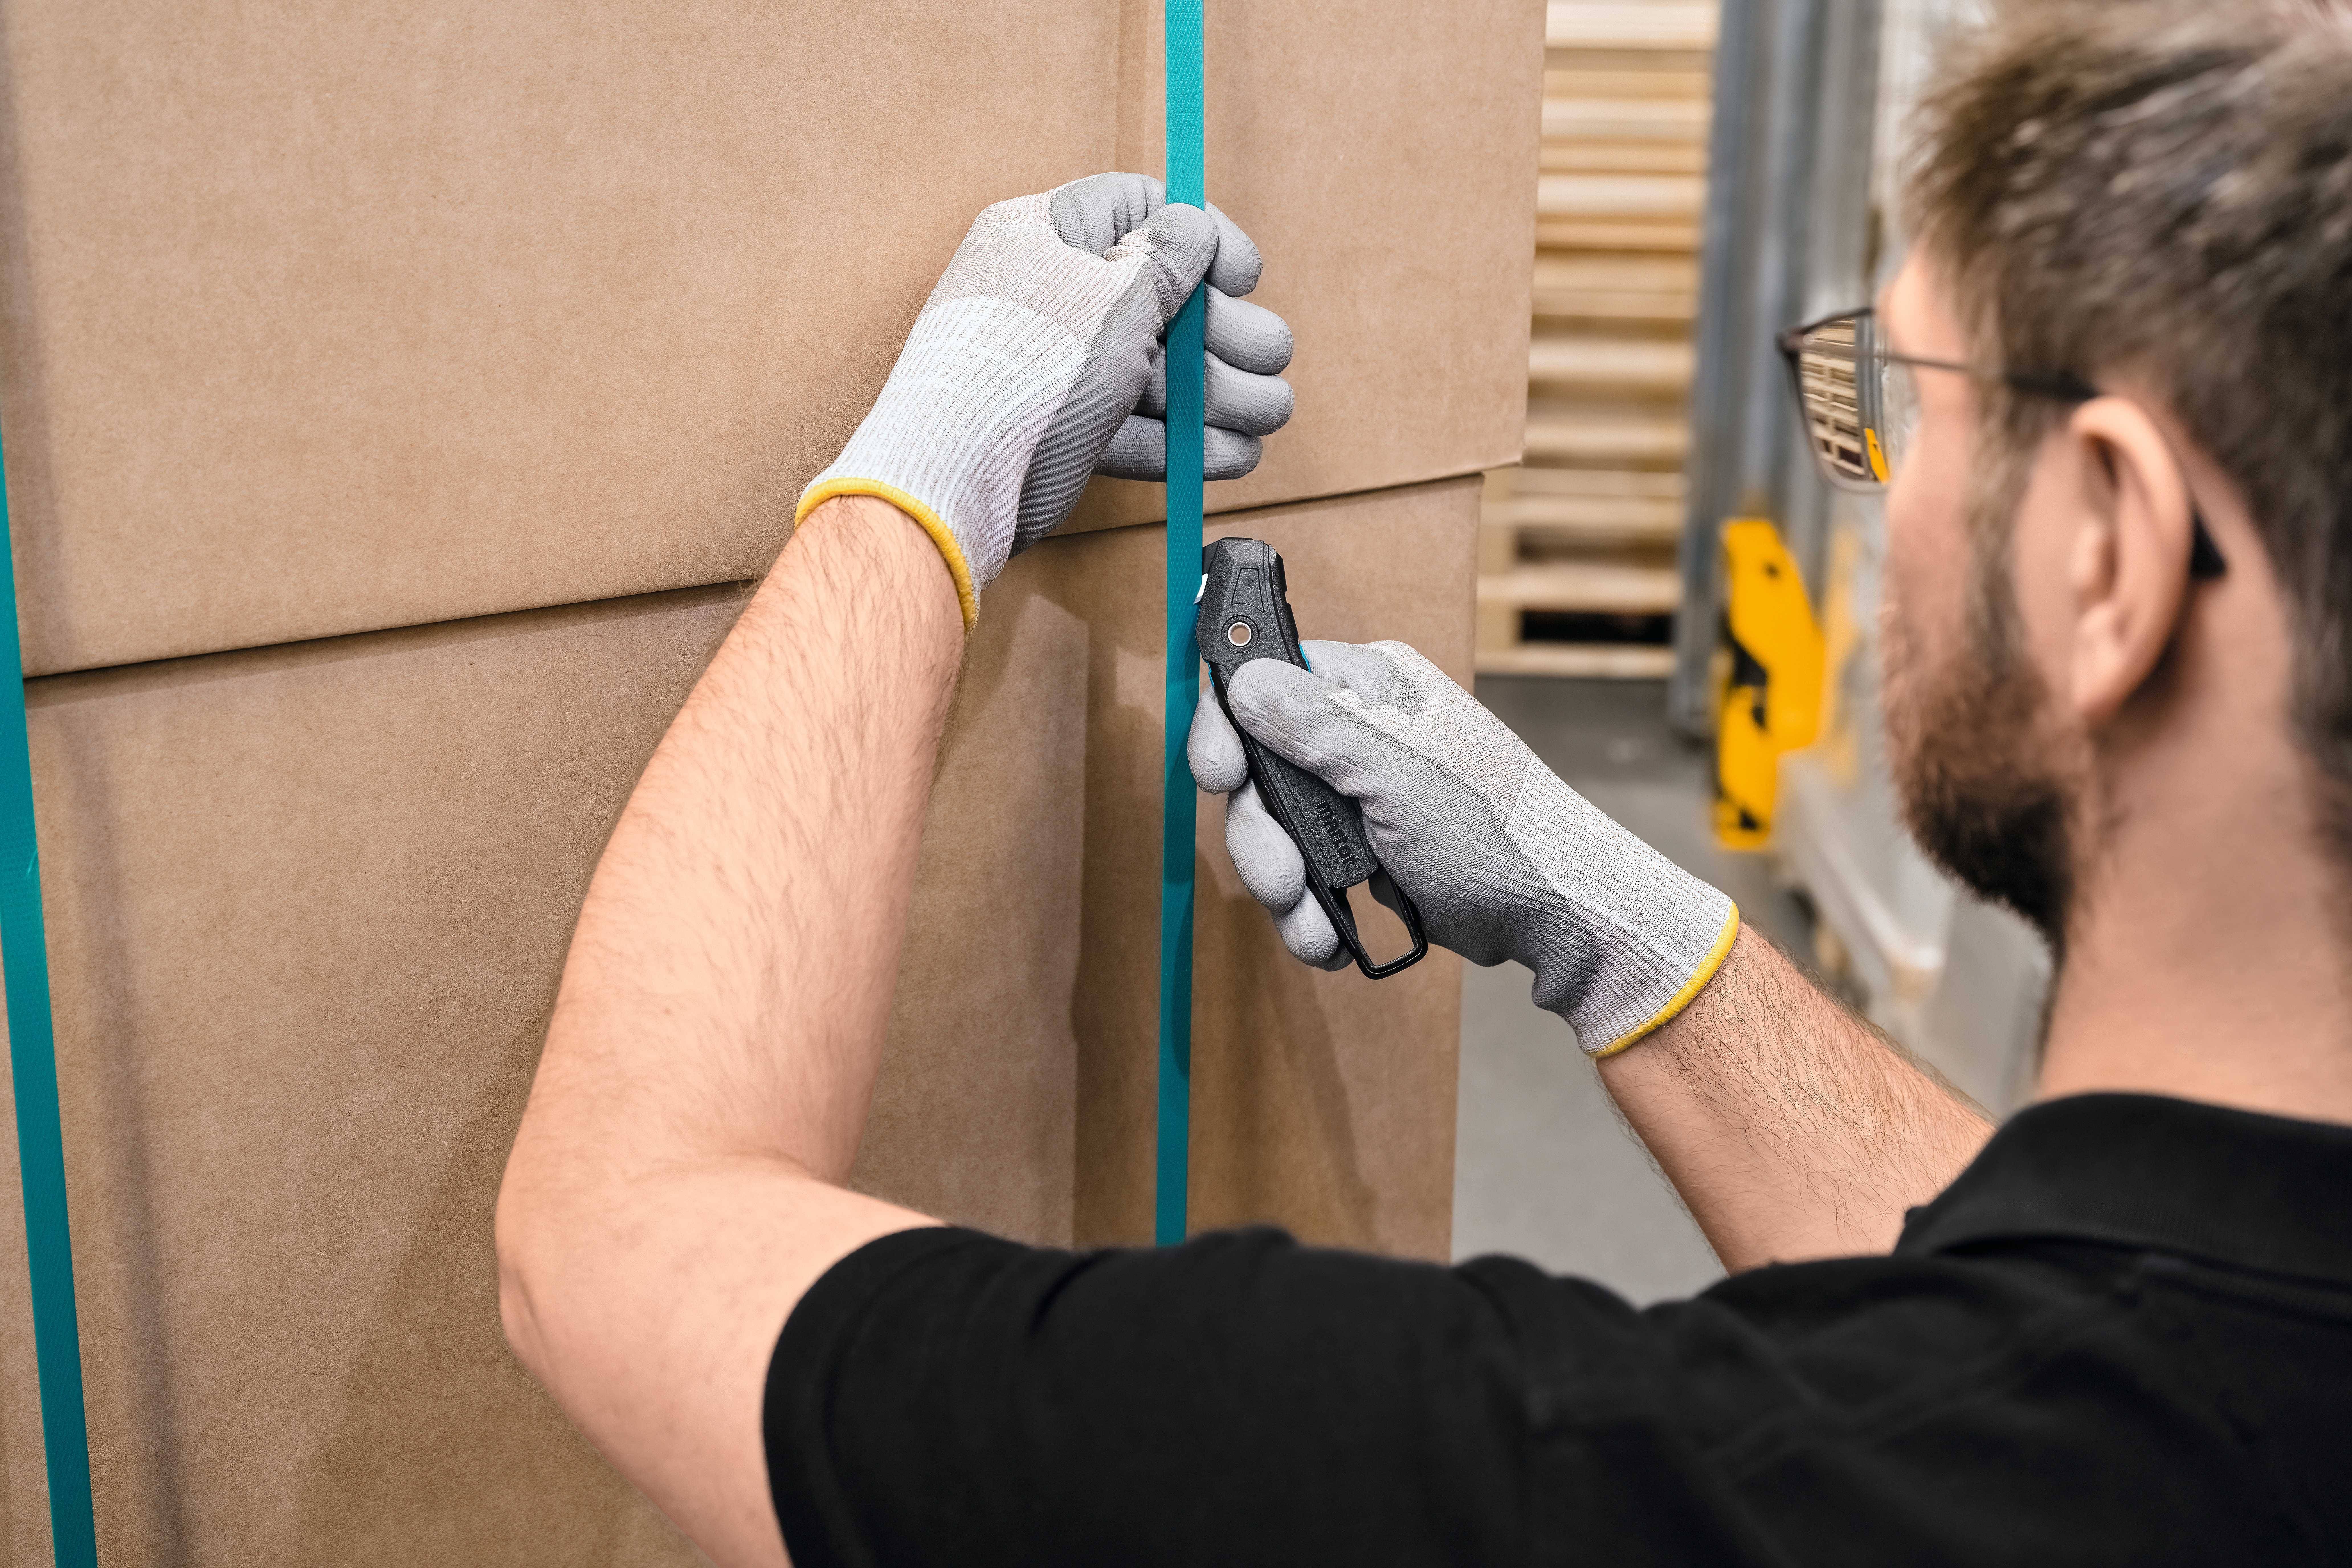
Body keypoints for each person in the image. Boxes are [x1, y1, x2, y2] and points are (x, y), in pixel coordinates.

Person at [494, 2, 2352, 1562]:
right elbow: (2094, 1301)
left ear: (2107, 550)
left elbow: (618, 1239)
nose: (1876, 480)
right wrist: (1610, 923)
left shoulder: (1578, 1486)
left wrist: (932, 467)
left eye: (1907, 407)